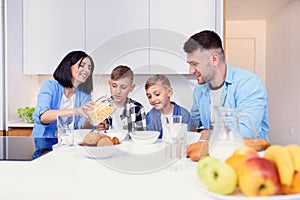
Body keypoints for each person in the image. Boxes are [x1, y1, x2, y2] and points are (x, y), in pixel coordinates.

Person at [183, 30, 269, 140]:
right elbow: (193, 124)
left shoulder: (249, 83)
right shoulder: (200, 90)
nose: (191, 71)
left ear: (214, 59)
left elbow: (246, 132)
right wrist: (170, 110)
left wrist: (210, 134)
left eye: (195, 64)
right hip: (216, 152)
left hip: (247, 154)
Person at [31, 50, 95, 158]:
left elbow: (82, 126)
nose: (86, 70)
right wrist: (75, 111)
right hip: (43, 147)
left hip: (69, 148)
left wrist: (91, 117)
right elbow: (43, 117)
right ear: (68, 66)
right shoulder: (50, 86)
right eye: (82, 65)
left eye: (89, 68)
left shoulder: (85, 96)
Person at [98, 65, 146, 133]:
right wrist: (99, 128)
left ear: (131, 88)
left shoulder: (138, 108)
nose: (118, 91)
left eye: (123, 87)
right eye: (114, 86)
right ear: (110, 85)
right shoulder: (102, 106)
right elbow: (98, 133)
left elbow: (141, 136)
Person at [145, 74, 191, 139]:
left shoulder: (184, 114)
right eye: (149, 96)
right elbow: (150, 140)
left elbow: (187, 139)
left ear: (169, 92)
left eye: (157, 94)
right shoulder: (149, 116)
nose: (153, 99)